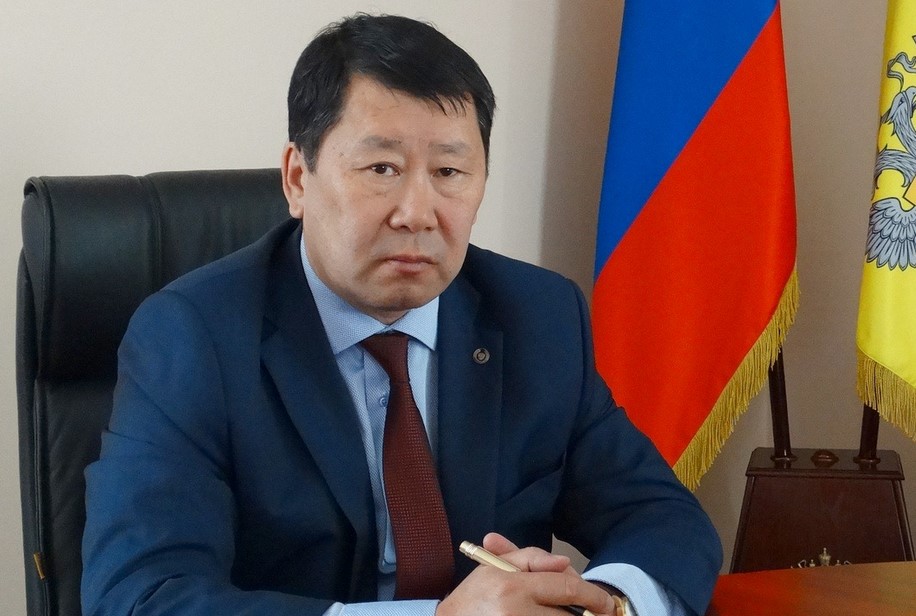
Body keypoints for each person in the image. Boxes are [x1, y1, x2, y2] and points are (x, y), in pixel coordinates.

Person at [81, 13, 722, 616]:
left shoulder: (536, 317)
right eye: (382, 168)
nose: (417, 212)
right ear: (297, 178)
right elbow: (140, 596)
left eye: (449, 171)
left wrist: (604, 600)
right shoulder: (193, 337)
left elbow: (663, 520)